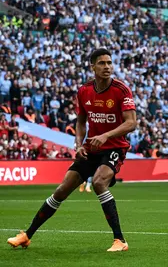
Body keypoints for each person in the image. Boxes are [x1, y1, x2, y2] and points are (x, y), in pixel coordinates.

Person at [7, 48, 137, 252]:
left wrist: (105, 135)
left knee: (99, 182)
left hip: (114, 147)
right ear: (92, 66)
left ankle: (119, 240)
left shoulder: (121, 90)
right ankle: (26, 235)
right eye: (102, 63)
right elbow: (81, 121)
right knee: (62, 189)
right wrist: (77, 145)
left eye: (109, 63)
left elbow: (131, 123)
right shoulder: (84, 91)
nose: (107, 67)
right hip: (91, 148)